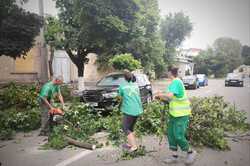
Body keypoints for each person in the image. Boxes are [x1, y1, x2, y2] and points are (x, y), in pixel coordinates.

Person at [155, 67, 196, 165]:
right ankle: (174, 156)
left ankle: (191, 152)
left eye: (167, 71)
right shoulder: (174, 83)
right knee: (171, 134)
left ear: (170, 72)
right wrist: (160, 98)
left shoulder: (176, 82)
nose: (166, 73)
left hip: (182, 115)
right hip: (174, 114)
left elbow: (169, 96)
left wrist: (160, 94)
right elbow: (171, 99)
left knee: (178, 135)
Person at [118, 70, 143, 152]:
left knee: (125, 127)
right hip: (138, 109)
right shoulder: (136, 85)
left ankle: (134, 146)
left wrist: (119, 105)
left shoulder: (122, 86)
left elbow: (120, 98)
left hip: (129, 110)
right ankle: (130, 143)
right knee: (131, 127)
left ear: (124, 78)